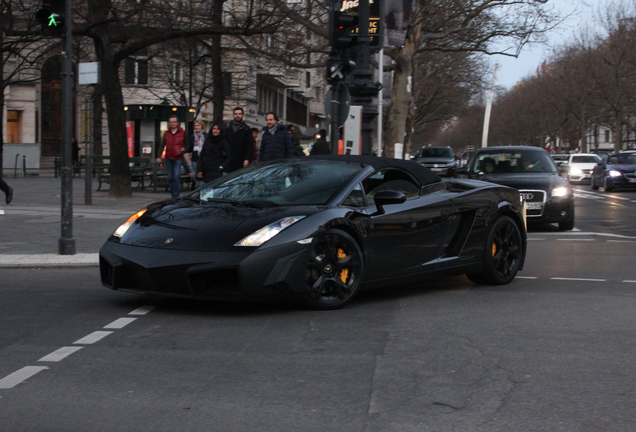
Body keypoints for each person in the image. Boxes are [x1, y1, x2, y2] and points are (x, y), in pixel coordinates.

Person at [157, 115, 187, 198]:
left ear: (177, 123)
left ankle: (176, 195)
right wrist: (159, 155)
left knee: (176, 176)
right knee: (170, 177)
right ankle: (172, 194)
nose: (172, 123)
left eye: (174, 122)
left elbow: (188, 144)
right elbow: (162, 144)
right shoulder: (166, 133)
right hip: (169, 157)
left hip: (178, 157)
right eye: (171, 122)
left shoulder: (183, 133)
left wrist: (183, 150)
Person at [225, 107, 254, 172]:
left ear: (243, 115)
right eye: (236, 114)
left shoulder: (247, 129)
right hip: (229, 159)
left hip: (241, 159)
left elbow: (250, 146)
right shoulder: (228, 128)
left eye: (239, 114)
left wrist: (247, 159)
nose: (237, 116)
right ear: (233, 115)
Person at [185, 120, 208, 188]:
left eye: (198, 125)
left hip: (204, 158)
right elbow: (190, 147)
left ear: (202, 126)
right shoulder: (192, 137)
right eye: (196, 125)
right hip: (195, 158)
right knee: (196, 175)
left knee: (204, 175)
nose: (197, 127)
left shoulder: (206, 136)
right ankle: (197, 189)